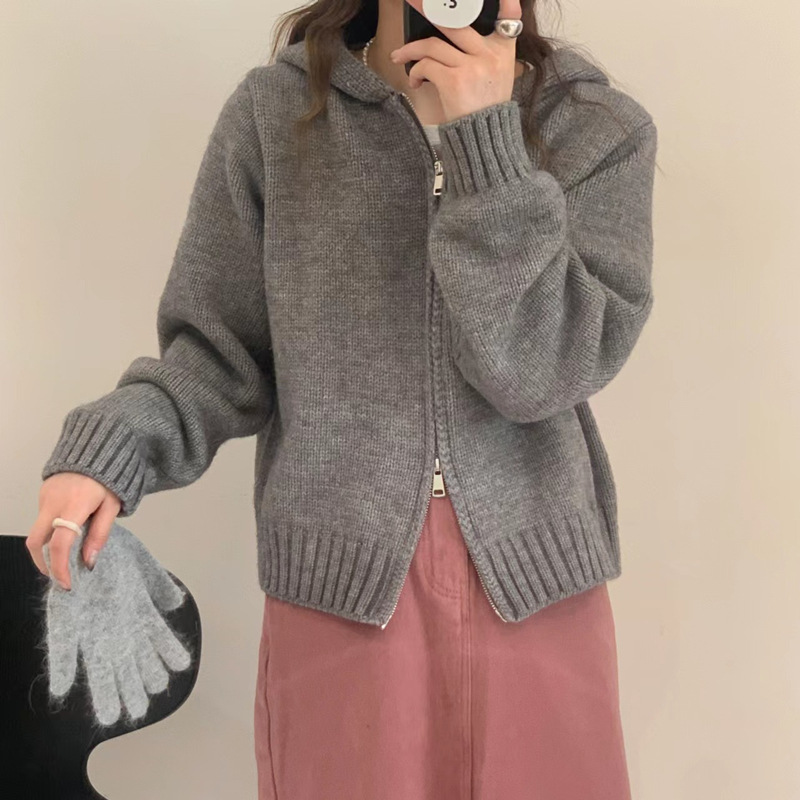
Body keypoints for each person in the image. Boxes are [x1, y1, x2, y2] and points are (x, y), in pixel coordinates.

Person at [28, 0, 658, 795]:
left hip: (535, 590)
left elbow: (542, 371)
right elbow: (219, 356)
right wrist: (112, 450)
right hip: (341, 600)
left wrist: (486, 146)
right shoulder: (276, 115)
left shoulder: (595, 127)